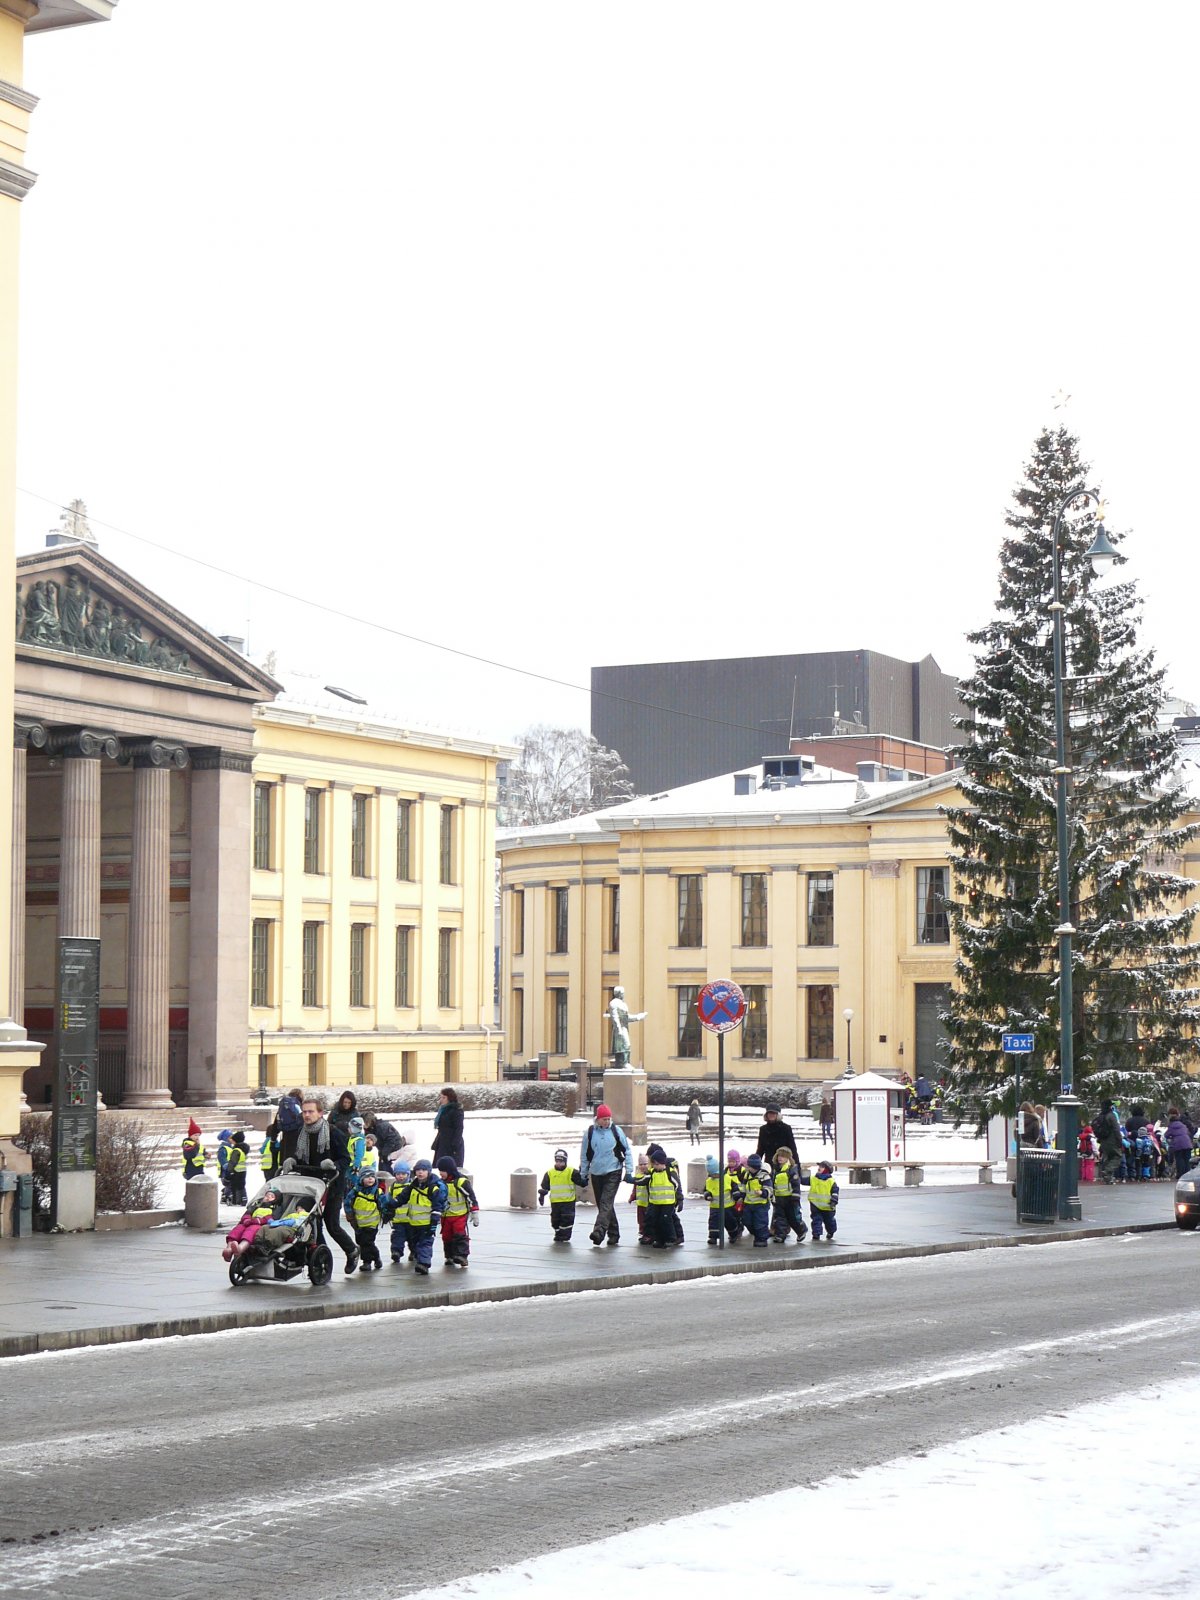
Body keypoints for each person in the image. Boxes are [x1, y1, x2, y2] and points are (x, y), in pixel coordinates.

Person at [292, 1096, 360, 1274]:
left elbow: (346, 1159)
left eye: (311, 1111)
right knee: (313, 1225)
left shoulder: (333, 1132)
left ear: (320, 1113)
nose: (306, 1115)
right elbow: (298, 1156)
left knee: (332, 1225)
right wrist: (291, 1160)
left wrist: (334, 1165)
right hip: (310, 1186)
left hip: (332, 1186)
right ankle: (322, 1261)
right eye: (304, 1112)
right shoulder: (302, 1133)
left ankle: (352, 1250)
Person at [577, 1103, 634, 1246]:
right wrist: (583, 1175)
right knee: (604, 1205)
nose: (607, 1122)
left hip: (613, 1171)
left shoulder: (616, 1131)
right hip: (596, 1172)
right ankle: (614, 1234)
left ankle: (599, 1232)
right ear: (598, 1119)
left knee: (605, 1202)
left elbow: (627, 1151)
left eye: (609, 1119)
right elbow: (585, 1155)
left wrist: (629, 1171)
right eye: (604, 1119)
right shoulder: (589, 1133)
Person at [397, 1158, 446, 1276]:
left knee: (425, 1243)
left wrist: (434, 1221)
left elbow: (437, 1206)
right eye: (418, 1170)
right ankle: (420, 1260)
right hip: (413, 1222)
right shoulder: (413, 1186)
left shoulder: (433, 1188)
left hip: (427, 1223)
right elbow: (403, 1197)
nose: (420, 1172)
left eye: (423, 1170)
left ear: (429, 1171)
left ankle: (424, 1264)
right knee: (415, 1243)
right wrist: (392, 1203)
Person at [436, 1157, 479, 1268]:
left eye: (443, 1170)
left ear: (449, 1170)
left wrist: (474, 1212)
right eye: (439, 1170)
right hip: (446, 1216)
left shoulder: (461, 1182)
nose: (441, 1173)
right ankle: (449, 1256)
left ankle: (462, 1256)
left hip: (460, 1215)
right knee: (446, 1236)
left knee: (459, 1234)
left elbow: (471, 1197)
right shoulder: (440, 1183)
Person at [636, 1146, 683, 1248]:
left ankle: (671, 1238)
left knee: (667, 1220)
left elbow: (677, 1186)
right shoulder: (652, 1172)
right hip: (655, 1202)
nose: (653, 1166)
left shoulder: (669, 1172)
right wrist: (632, 1180)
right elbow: (643, 1181)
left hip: (668, 1202)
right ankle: (659, 1239)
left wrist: (680, 1200)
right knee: (656, 1219)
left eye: (655, 1164)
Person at [343, 1166, 386, 1271]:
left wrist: (387, 1213)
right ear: (361, 1179)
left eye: (372, 1176)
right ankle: (376, 1256)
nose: (370, 1179)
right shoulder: (355, 1191)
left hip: (372, 1223)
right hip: (359, 1223)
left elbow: (384, 1204)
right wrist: (349, 1216)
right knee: (362, 1242)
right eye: (367, 1177)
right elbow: (347, 1203)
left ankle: (367, 1262)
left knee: (367, 1242)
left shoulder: (377, 1192)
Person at [223, 1188, 282, 1260]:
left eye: (272, 1196)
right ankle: (229, 1249)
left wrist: (257, 1221)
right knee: (239, 1228)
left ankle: (240, 1248)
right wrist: (246, 1219)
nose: (268, 1197)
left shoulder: (276, 1208)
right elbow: (248, 1213)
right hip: (249, 1222)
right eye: (267, 1195)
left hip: (260, 1225)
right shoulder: (257, 1205)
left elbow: (271, 1218)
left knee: (251, 1231)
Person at [539, 1148, 581, 1242]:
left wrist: (582, 1174)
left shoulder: (571, 1171)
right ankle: (558, 1233)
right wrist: (542, 1195)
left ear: (565, 1161)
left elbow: (581, 1182)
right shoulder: (550, 1173)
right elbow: (545, 1186)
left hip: (568, 1201)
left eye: (561, 1161)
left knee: (567, 1219)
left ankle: (565, 1236)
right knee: (555, 1221)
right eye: (557, 1161)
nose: (559, 1163)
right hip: (555, 1202)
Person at [770, 1148, 808, 1243]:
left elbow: (796, 1184)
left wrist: (795, 1197)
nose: (780, 1158)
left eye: (783, 1156)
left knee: (793, 1218)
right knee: (779, 1218)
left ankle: (801, 1230)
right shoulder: (775, 1169)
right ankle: (780, 1235)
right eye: (779, 1156)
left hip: (790, 1198)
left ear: (788, 1158)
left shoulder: (791, 1169)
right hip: (778, 1198)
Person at [704, 1154, 742, 1246]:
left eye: (715, 1174)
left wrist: (737, 1197)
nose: (714, 1176)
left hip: (727, 1206)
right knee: (713, 1222)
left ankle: (734, 1234)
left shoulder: (727, 1178)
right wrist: (708, 1195)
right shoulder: (709, 1181)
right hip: (715, 1206)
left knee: (730, 1222)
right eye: (712, 1174)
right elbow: (706, 1190)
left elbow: (734, 1188)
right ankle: (713, 1237)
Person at [607, 986, 646, 1067]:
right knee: (624, 1045)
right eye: (623, 993)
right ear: (619, 993)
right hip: (619, 1028)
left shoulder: (623, 1004)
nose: (623, 995)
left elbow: (626, 1017)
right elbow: (615, 1017)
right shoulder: (613, 1003)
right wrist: (619, 1029)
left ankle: (624, 1063)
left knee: (626, 1045)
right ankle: (623, 1063)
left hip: (624, 1027)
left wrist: (639, 1017)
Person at [740, 1154, 772, 1248]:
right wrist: (741, 1196)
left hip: (760, 1204)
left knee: (760, 1222)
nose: (747, 1167)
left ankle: (761, 1239)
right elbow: (743, 1187)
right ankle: (758, 1233)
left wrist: (763, 1192)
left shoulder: (764, 1176)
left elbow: (769, 1188)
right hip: (748, 1203)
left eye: (748, 1166)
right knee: (747, 1220)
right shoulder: (747, 1175)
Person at [432, 1088, 465, 1169]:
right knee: (439, 1165)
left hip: (451, 1143)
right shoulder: (442, 1110)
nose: (441, 1100)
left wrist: (455, 1145)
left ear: (450, 1098)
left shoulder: (456, 1110)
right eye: (441, 1097)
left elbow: (459, 1128)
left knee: (450, 1166)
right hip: (442, 1141)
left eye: (444, 1098)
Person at [270, 1089, 305, 1165]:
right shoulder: (299, 1107)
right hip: (298, 1140)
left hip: (285, 1141)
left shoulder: (283, 1108)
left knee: (286, 1166)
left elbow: (275, 1126)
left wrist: (273, 1140)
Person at [388, 1158, 412, 1264]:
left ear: (408, 1174)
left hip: (411, 1220)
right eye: (398, 1174)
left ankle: (414, 1252)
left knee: (413, 1239)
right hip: (398, 1220)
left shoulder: (412, 1186)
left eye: (403, 1174)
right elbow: (389, 1200)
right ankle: (396, 1252)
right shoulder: (393, 1187)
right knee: (397, 1237)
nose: (400, 1176)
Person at [1094, 1100, 1124, 1184]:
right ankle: (1107, 1171)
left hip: (1103, 1140)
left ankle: (1108, 1178)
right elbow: (1116, 1129)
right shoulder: (1111, 1116)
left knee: (1107, 1158)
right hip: (1112, 1140)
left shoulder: (1101, 1116)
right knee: (1117, 1156)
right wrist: (1119, 1140)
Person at [809, 1160, 839, 1241]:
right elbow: (803, 1180)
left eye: (822, 1167)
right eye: (819, 1167)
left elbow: (835, 1192)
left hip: (828, 1206)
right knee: (816, 1220)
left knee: (829, 1221)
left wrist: (833, 1201)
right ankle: (816, 1234)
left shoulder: (831, 1181)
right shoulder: (814, 1178)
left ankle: (831, 1231)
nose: (819, 1168)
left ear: (827, 1169)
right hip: (815, 1205)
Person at [1165, 1109, 1194, 1179]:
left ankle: (1180, 1175)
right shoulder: (1183, 1125)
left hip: (1178, 1144)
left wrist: (1171, 1137)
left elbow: (1166, 1135)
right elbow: (1188, 1132)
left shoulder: (1171, 1126)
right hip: (1187, 1143)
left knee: (1179, 1159)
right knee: (1187, 1160)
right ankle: (1187, 1175)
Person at [227, 1132, 249, 1207]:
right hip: (243, 1170)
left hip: (236, 1171)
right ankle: (243, 1199)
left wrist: (229, 1171)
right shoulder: (243, 1149)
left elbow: (233, 1162)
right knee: (241, 1185)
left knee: (235, 1186)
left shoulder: (236, 1150)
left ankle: (236, 1200)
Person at [215, 1129, 234, 1202]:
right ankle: (226, 1195)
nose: (232, 1139)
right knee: (228, 1183)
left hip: (229, 1169)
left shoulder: (230, 1147)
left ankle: (225, 1194)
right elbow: (222, 1159)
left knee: (229, 1184)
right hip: (225, 1171)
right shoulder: (223, 1148)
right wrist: (227, 1167)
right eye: (230, 1137)